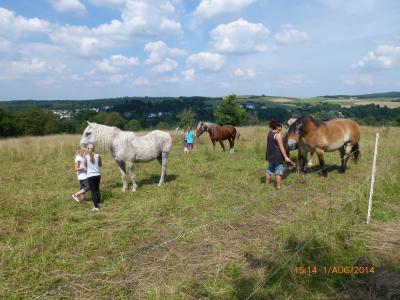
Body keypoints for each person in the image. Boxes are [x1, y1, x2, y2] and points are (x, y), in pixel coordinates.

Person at [265, 120, 294, 190]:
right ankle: (278, 187)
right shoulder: (278, 135)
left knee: (269, 170)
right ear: (277, 127)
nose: (281, 128)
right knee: (279, 172)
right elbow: (281, 147)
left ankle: (266, 185)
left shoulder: (269, 133)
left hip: (270, 155)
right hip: (278, 156)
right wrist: (286, 157)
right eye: (280, 126)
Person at [85, 143, 102, 211]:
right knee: (97, 189)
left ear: (87, 149)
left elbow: (86, 165)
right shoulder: (98, 155)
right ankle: (99, 203)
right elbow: (100, 165)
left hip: (90, 175)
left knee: (93, 191)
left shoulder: (86, 156)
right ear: (94, 148)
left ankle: (96, 207)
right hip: (98, 175)